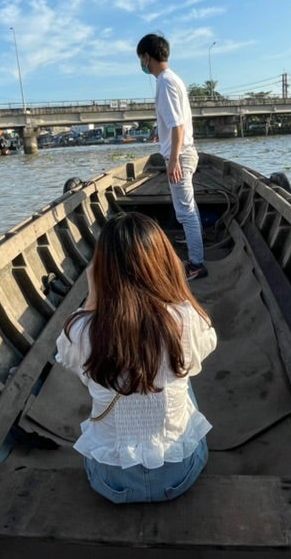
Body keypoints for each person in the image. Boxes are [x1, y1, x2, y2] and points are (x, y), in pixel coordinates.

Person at [55, 212, 217, 504]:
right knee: (185, 373)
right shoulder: (188, 318)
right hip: (178, 476)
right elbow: (206, 347)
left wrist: (92, 298)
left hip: (110, 481)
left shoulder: (79, 329)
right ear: (165, 264)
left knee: (96, 375)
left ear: (100, 270)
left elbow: (67, 359)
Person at [136, 33, 207, 280]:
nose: (142, 64)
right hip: (186, 151)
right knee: (189, 209)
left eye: (141, 59)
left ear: (147, 57)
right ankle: (196, 255)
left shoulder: (164, 82)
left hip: (181, 154)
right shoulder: (173, 79)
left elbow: (177, 126)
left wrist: (174, 159)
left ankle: (196, 264)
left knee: (185, 212)